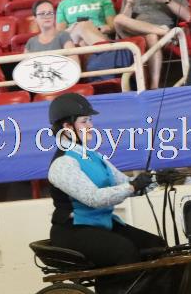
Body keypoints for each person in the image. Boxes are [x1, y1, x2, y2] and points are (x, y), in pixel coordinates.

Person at [46, 92, 164, 268]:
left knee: (156, 245)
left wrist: (157, 179)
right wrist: (132, 186)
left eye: (90, 120)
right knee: (124, 251)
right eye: (84, 121)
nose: (91, 125)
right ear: (67, 127)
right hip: (73, 231)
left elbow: (125, 183)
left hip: (100, 226)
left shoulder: (94, 156)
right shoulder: (63, 163)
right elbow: (95, 198)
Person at [114, 0, 190, 88]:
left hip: (157, 36)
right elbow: (123, 21)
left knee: (151, 36)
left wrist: (167, 0)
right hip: (138, 33)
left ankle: (154, 86)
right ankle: (162, 31)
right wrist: (129, 4)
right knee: (119, 18)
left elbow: (188, 16)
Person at [24, 0, 79, 65]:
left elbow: (75, 64)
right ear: (35, 18)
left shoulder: (64, 36)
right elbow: (25, 67)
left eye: (50, 13)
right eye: (42, 13)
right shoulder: (31, 42)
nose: (47, 16)